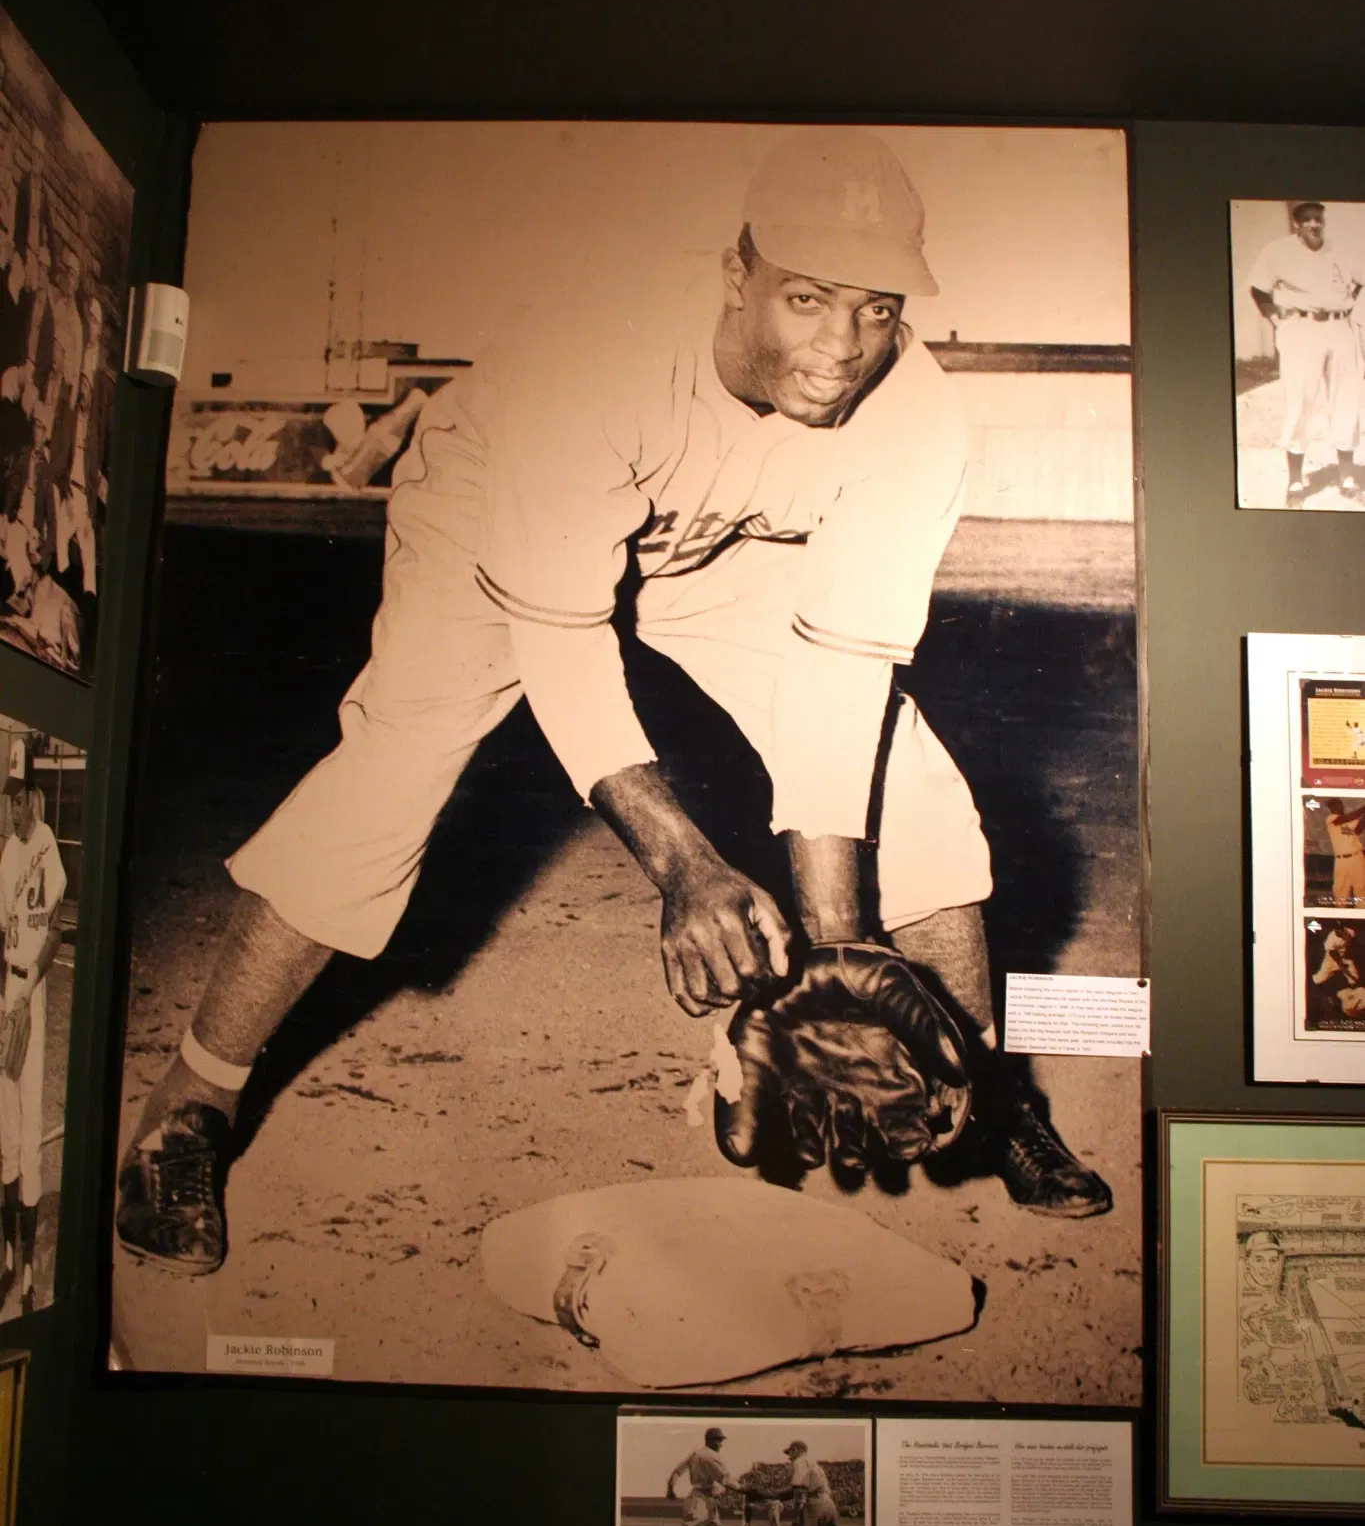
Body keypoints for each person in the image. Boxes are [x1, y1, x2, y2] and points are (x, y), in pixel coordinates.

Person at [115, 126, 1111, 1277]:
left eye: (877, 307)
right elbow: (562, 634)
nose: (843, 345)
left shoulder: (915, 416)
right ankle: (192, 1103)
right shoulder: (602, 347)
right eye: (807, 296)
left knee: (918, 788)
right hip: (506, 494)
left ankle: (975, 1087)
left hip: (723, 540)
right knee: (396, 767)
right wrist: (683, 861)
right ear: (737, 275)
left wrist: (840, 956)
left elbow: (841, 677)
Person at [0, 747, 65, 1315]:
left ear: (32, 800)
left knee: (28, 1131)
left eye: (17, 801)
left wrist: (25, 993)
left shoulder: (46, 850)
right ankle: (5, 1256)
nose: (11, 811)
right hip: (5, 995)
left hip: (32, 995)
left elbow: (55, 936)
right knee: (2, 1131)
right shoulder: (6, 855)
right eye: (7, 801)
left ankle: (26, 1273)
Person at [1248, 203, 1364, 508]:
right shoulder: (1278, 251)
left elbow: (1361, 279)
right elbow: (1259, 289)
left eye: (1318, 219)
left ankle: (1347, 477)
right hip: (1301, 328)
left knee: (1347, 399)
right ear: (1297, 224)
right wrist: (1275, 320)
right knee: (1300, 401)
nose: (1314, 224)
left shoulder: (1339, 251)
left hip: (1339, 327)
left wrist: (1351, 302)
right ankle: (1296, 481)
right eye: (1307, 219)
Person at [1325, 802, 1365, 907]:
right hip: (1341, 860)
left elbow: (1358, 830)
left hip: (1357, 857)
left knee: (1361, 888)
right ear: (1330, 808)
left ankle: (1361, 915)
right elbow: (1347, 818)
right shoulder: (1331, 819)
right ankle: (1341, 916)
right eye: (1334, 806)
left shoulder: (1349, 822)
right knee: (1340, 889)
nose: (1337, 807)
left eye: (1338, 805)